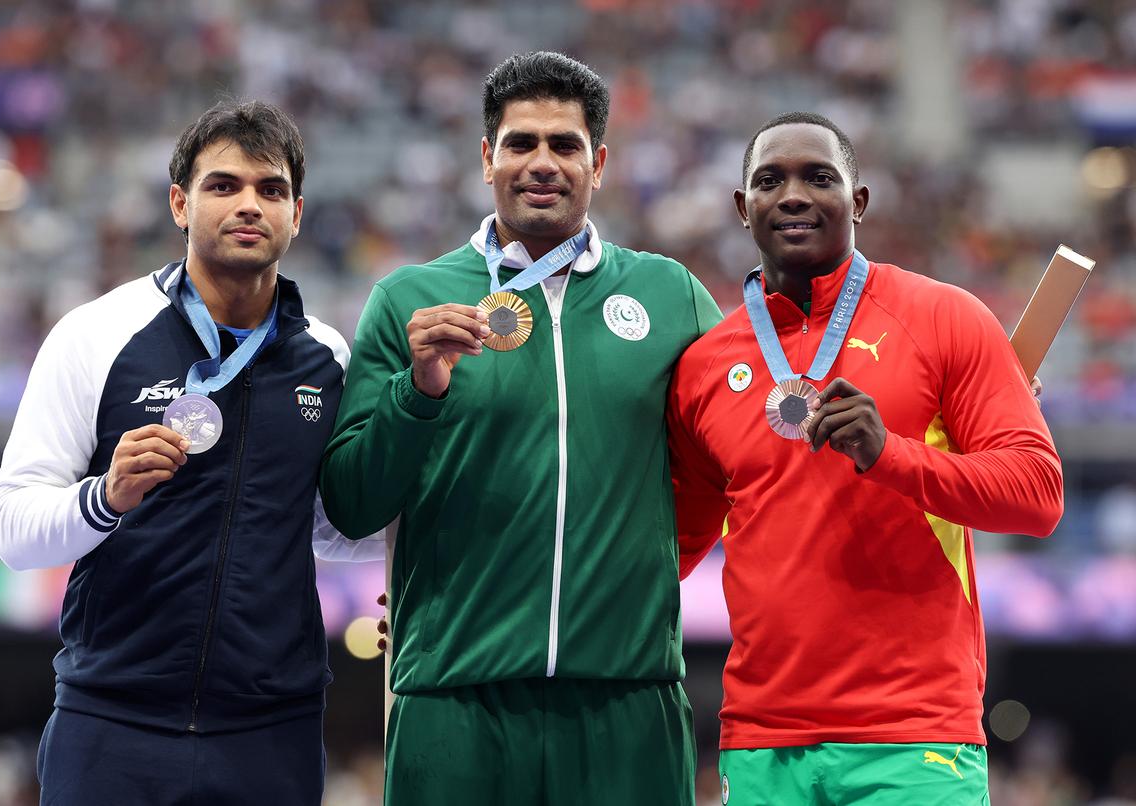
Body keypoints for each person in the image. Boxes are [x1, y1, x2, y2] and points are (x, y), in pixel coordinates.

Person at [319, 51, 721, 806]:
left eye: (565, 145)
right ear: (486, 158)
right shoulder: (411, 298)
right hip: (453, 696)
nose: (543, 163)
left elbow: (749, 439)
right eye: (521, 143)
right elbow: (350, 502)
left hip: (628, 697)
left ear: (598, 162)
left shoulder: (670, 295)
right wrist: (420, 389)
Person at [0, 99, 381, 805]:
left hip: (273, 732)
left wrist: (423, 556)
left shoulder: (328, 359)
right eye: (223, 185)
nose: (249, 205)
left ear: (298, 212)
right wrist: (103, 497)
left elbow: (330, 528)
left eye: (271, 189)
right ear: (179, 202)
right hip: (112, 720)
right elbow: (12, 529)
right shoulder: (97, 335)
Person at [667, 111, 1064, 804]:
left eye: (819, 178)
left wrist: (892, 456)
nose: (792, 194)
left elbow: (1037, 495)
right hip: (760, 742)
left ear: (858, 201)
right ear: (742, 208)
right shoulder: (704, 367)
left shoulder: (946, 318)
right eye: (770, 180)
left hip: (914, 736)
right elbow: (667, 546)